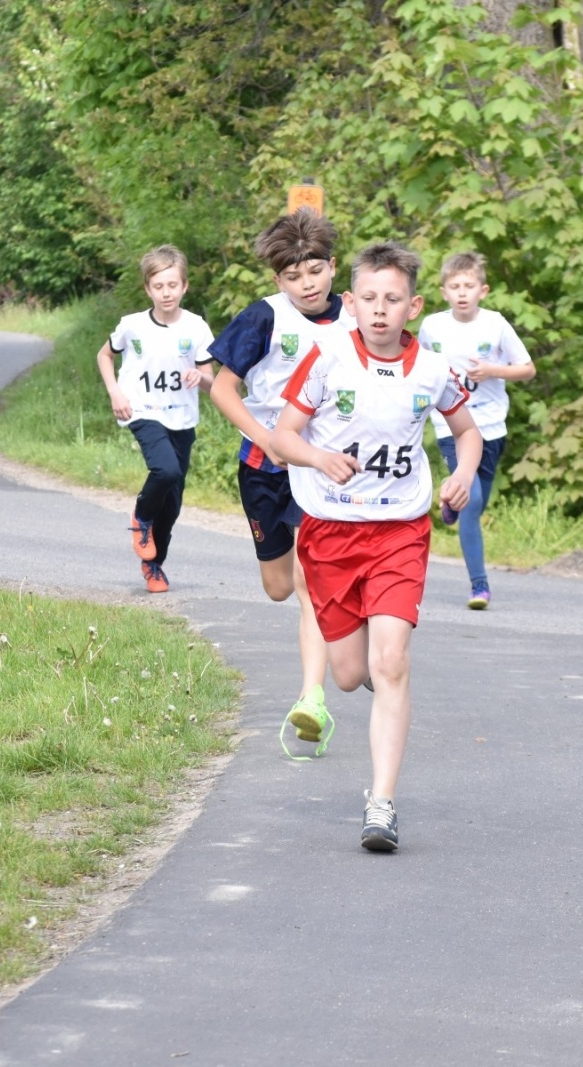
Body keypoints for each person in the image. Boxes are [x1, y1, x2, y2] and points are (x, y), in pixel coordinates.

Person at [268, 242, 482, 852]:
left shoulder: (432, 368)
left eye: (392, 300)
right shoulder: (328, 357)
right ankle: (373, 673)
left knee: (391, 663)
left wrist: (462, 472)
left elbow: (465, 434)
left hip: (400, 531)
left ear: (413, 306)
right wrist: (318, 456)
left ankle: (381, 805)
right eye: (368, 299)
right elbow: (285, 435)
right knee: (349, 673)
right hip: (332, 532)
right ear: (351, 303)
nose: (380, 310)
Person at [203, 208, 355, 755]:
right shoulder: (263, 318)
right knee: (280, 587)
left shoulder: (358, 316)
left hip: (324, 467)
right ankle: (341, 623)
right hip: (264, 465)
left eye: (314, 271)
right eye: (292, 276)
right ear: (277, 279)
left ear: (332, 267)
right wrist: (265, 438)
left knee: (313, 582)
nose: (306, 284)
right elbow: (223, 389)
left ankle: (311, 698)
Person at [417, 252, 536, 609]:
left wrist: (492, 371)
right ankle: (479, 586)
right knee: (474, 503)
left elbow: (527, 369)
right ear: (444, 291)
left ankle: (451, 502)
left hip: (491, 426)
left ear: (482, 290)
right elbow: (419, 368)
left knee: (476, 499)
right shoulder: (432, 326)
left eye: (469, 286)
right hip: (451, 425)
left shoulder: (496, 324)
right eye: (455, 287)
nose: (462, 293)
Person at [96, 245, 214, 594]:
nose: (166, 293)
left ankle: (153, 564)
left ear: (184, 286)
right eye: (159, 286)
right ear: (148, 288)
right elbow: (104, 356)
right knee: (166, 470)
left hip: (182, 418)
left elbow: (210, 379)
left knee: (174, 503)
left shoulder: (196, 327)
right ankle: (140, 518)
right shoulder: (132, 326)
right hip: (143, 410)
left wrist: (200, 377)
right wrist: (116, 393)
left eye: (173, 285)